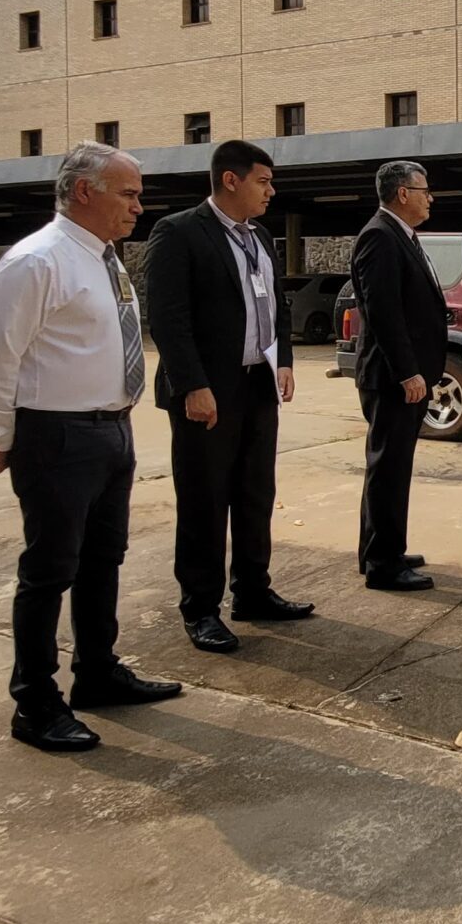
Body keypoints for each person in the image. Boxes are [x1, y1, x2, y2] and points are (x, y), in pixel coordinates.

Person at [0, 141, 181, 753]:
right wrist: (6, 437)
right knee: (49, 572)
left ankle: (98, 672)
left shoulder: (106, 260)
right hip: (56, 434)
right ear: (84, 191)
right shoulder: (37, 261)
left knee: (102, 559)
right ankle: (35, 703)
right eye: (129, 194)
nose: (138, 206)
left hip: (111, 429)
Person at [141, 139, 311, 657]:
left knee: (256, 492)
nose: (271, 191)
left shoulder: (260, 235)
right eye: (263, 181)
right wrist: (192, 384)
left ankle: (253, 591)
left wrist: (284, 359)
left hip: (257, 382)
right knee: (205, 500)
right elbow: (167, 317)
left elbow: (276, 305)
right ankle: (201, 608)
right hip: (207, 391)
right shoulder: (179, 232)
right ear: (230, 180)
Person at [349, 159, 447, 590]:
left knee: (389, 467)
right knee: (388, 469)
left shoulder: (400, 234)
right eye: (425, 191)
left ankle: (379, 548)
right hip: (391, 378)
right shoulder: (380, 236)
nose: (431, 199)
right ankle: (384, 565)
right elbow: (383, 312)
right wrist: (408, 372)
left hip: (402, 375)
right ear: (403, 193)